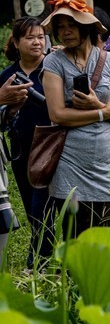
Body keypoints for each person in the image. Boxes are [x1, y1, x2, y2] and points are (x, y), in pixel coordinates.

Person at [40, 0, 110, 233]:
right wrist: (102, 113)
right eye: (60, 26)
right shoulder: (53, 62)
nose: (65, 31)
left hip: (103, 163)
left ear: (87, 26)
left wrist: (98, 105)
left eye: (72, 24)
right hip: (69, 162)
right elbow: (57, 114)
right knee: (77, 239)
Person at [1, 17, 52, 265]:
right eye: (30, 38)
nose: (36, 42)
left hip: (52, 146)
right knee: (31, 205)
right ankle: (43, 256)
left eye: (41, 37)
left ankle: (38, 261)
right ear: (17, 42)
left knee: (42, 208)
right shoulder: (8, 76)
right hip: (21, 148)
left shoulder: (54, 68)